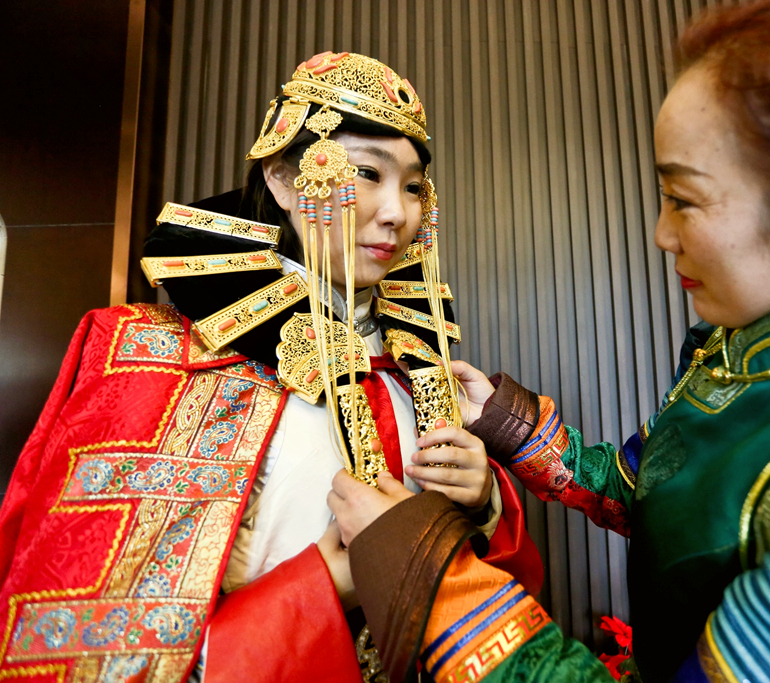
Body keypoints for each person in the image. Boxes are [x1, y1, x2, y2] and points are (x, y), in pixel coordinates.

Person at [325, 2, 770, 682]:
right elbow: (651, 492)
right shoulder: (740, 349)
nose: (662, 234)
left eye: (684, 199)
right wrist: (506, 421)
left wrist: (421, 565)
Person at [0, 52, 540, 683]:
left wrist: (482, 506)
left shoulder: (415, 372)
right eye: (367, 173)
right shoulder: (149, 355)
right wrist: (327, 582)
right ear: (284, 180)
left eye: (414, 186)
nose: (398, 213)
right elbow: (83, 643)